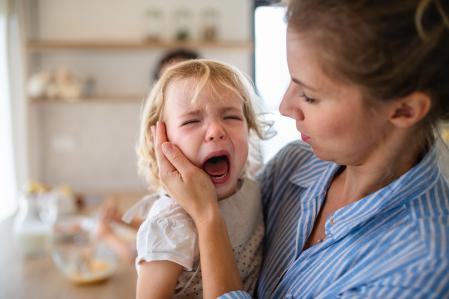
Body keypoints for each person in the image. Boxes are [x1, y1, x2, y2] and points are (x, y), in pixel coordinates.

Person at [153, 0, 449, 298]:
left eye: (309, 96)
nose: (285, 107)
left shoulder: (420, 269)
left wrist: (207, 215)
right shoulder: (293, 163)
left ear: (405, 110)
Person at [133, 59, 265, 298]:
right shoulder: (170, 223)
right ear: (161, 141)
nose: (216, 131)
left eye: (231, 117)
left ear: (250, 128)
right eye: (192, 121)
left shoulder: (255, 190)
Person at [95, 49, 201, 265]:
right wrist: (122, 221)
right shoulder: (171, 160)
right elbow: (165, 230)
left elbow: (149, 254)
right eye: (164, 83)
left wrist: (107, 236)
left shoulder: (194, 166)